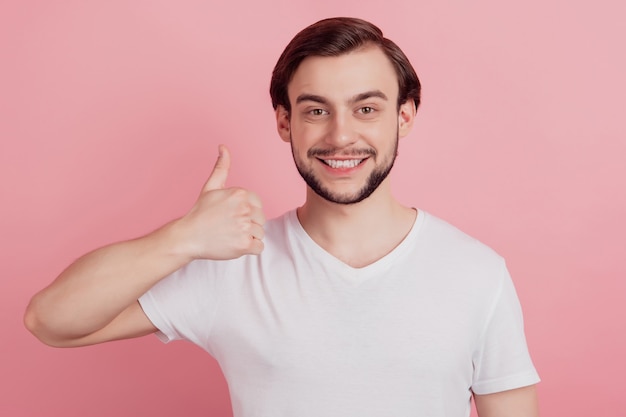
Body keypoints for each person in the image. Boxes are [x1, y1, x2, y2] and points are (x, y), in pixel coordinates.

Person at [25, 17, 540, 417]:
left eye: (366, 109)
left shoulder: (477, 273)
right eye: (317, 110)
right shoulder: (232, 265)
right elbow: (50, 322)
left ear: (404, 117)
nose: (341, 136)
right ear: (284, 121)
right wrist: (180, 239)